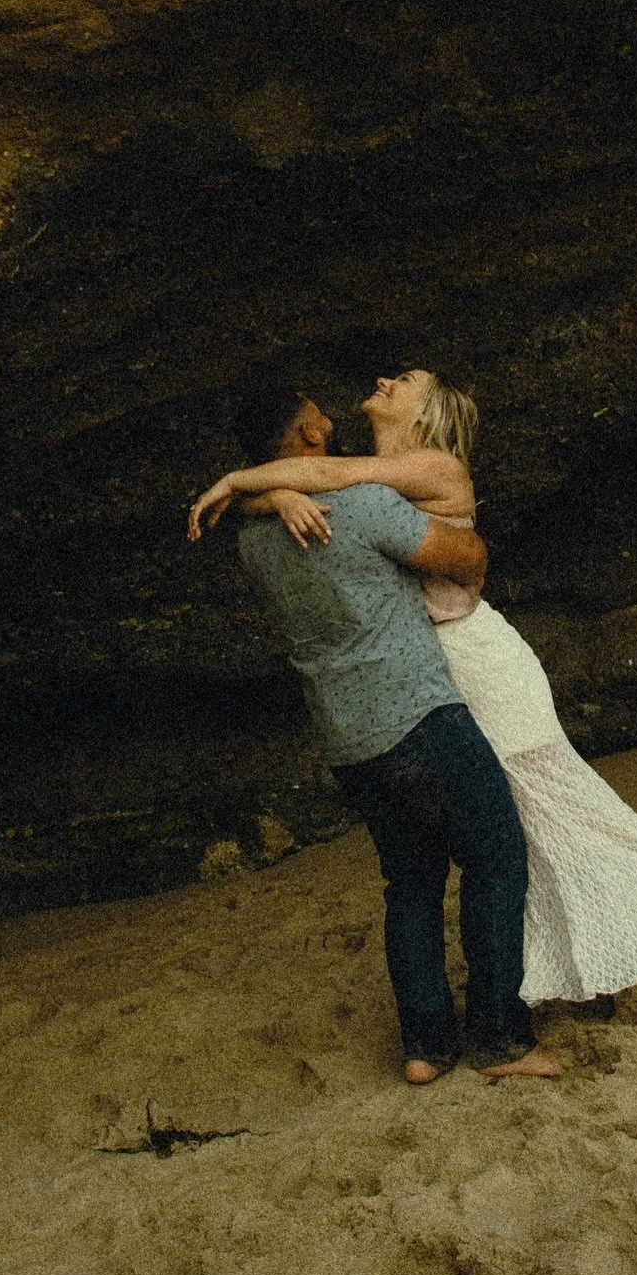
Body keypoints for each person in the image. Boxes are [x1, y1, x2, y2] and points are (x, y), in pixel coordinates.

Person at [189, 369, 637, 1011]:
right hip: (436, 668)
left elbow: (322, 480)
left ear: (426, 417)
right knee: (523, 823)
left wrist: (243, 483)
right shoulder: (373, 471)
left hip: (476, 659)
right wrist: (275, 496)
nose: (383, 379)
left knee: (550, 802)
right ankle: (568, 965)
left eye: (403, 381)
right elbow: (310, 479)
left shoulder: (434, 466)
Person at [196, 383, 559, 1085]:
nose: (331, 420)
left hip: (346, 739)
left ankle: (426, 1048)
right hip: (422, 717)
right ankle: (500, 1039)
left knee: (411, 882)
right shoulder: (362, 506)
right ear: (306, 436)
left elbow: (259, 505)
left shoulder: (253, 541)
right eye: (317, 416)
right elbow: (464, 559)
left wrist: (266, 495)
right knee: (496, 857)